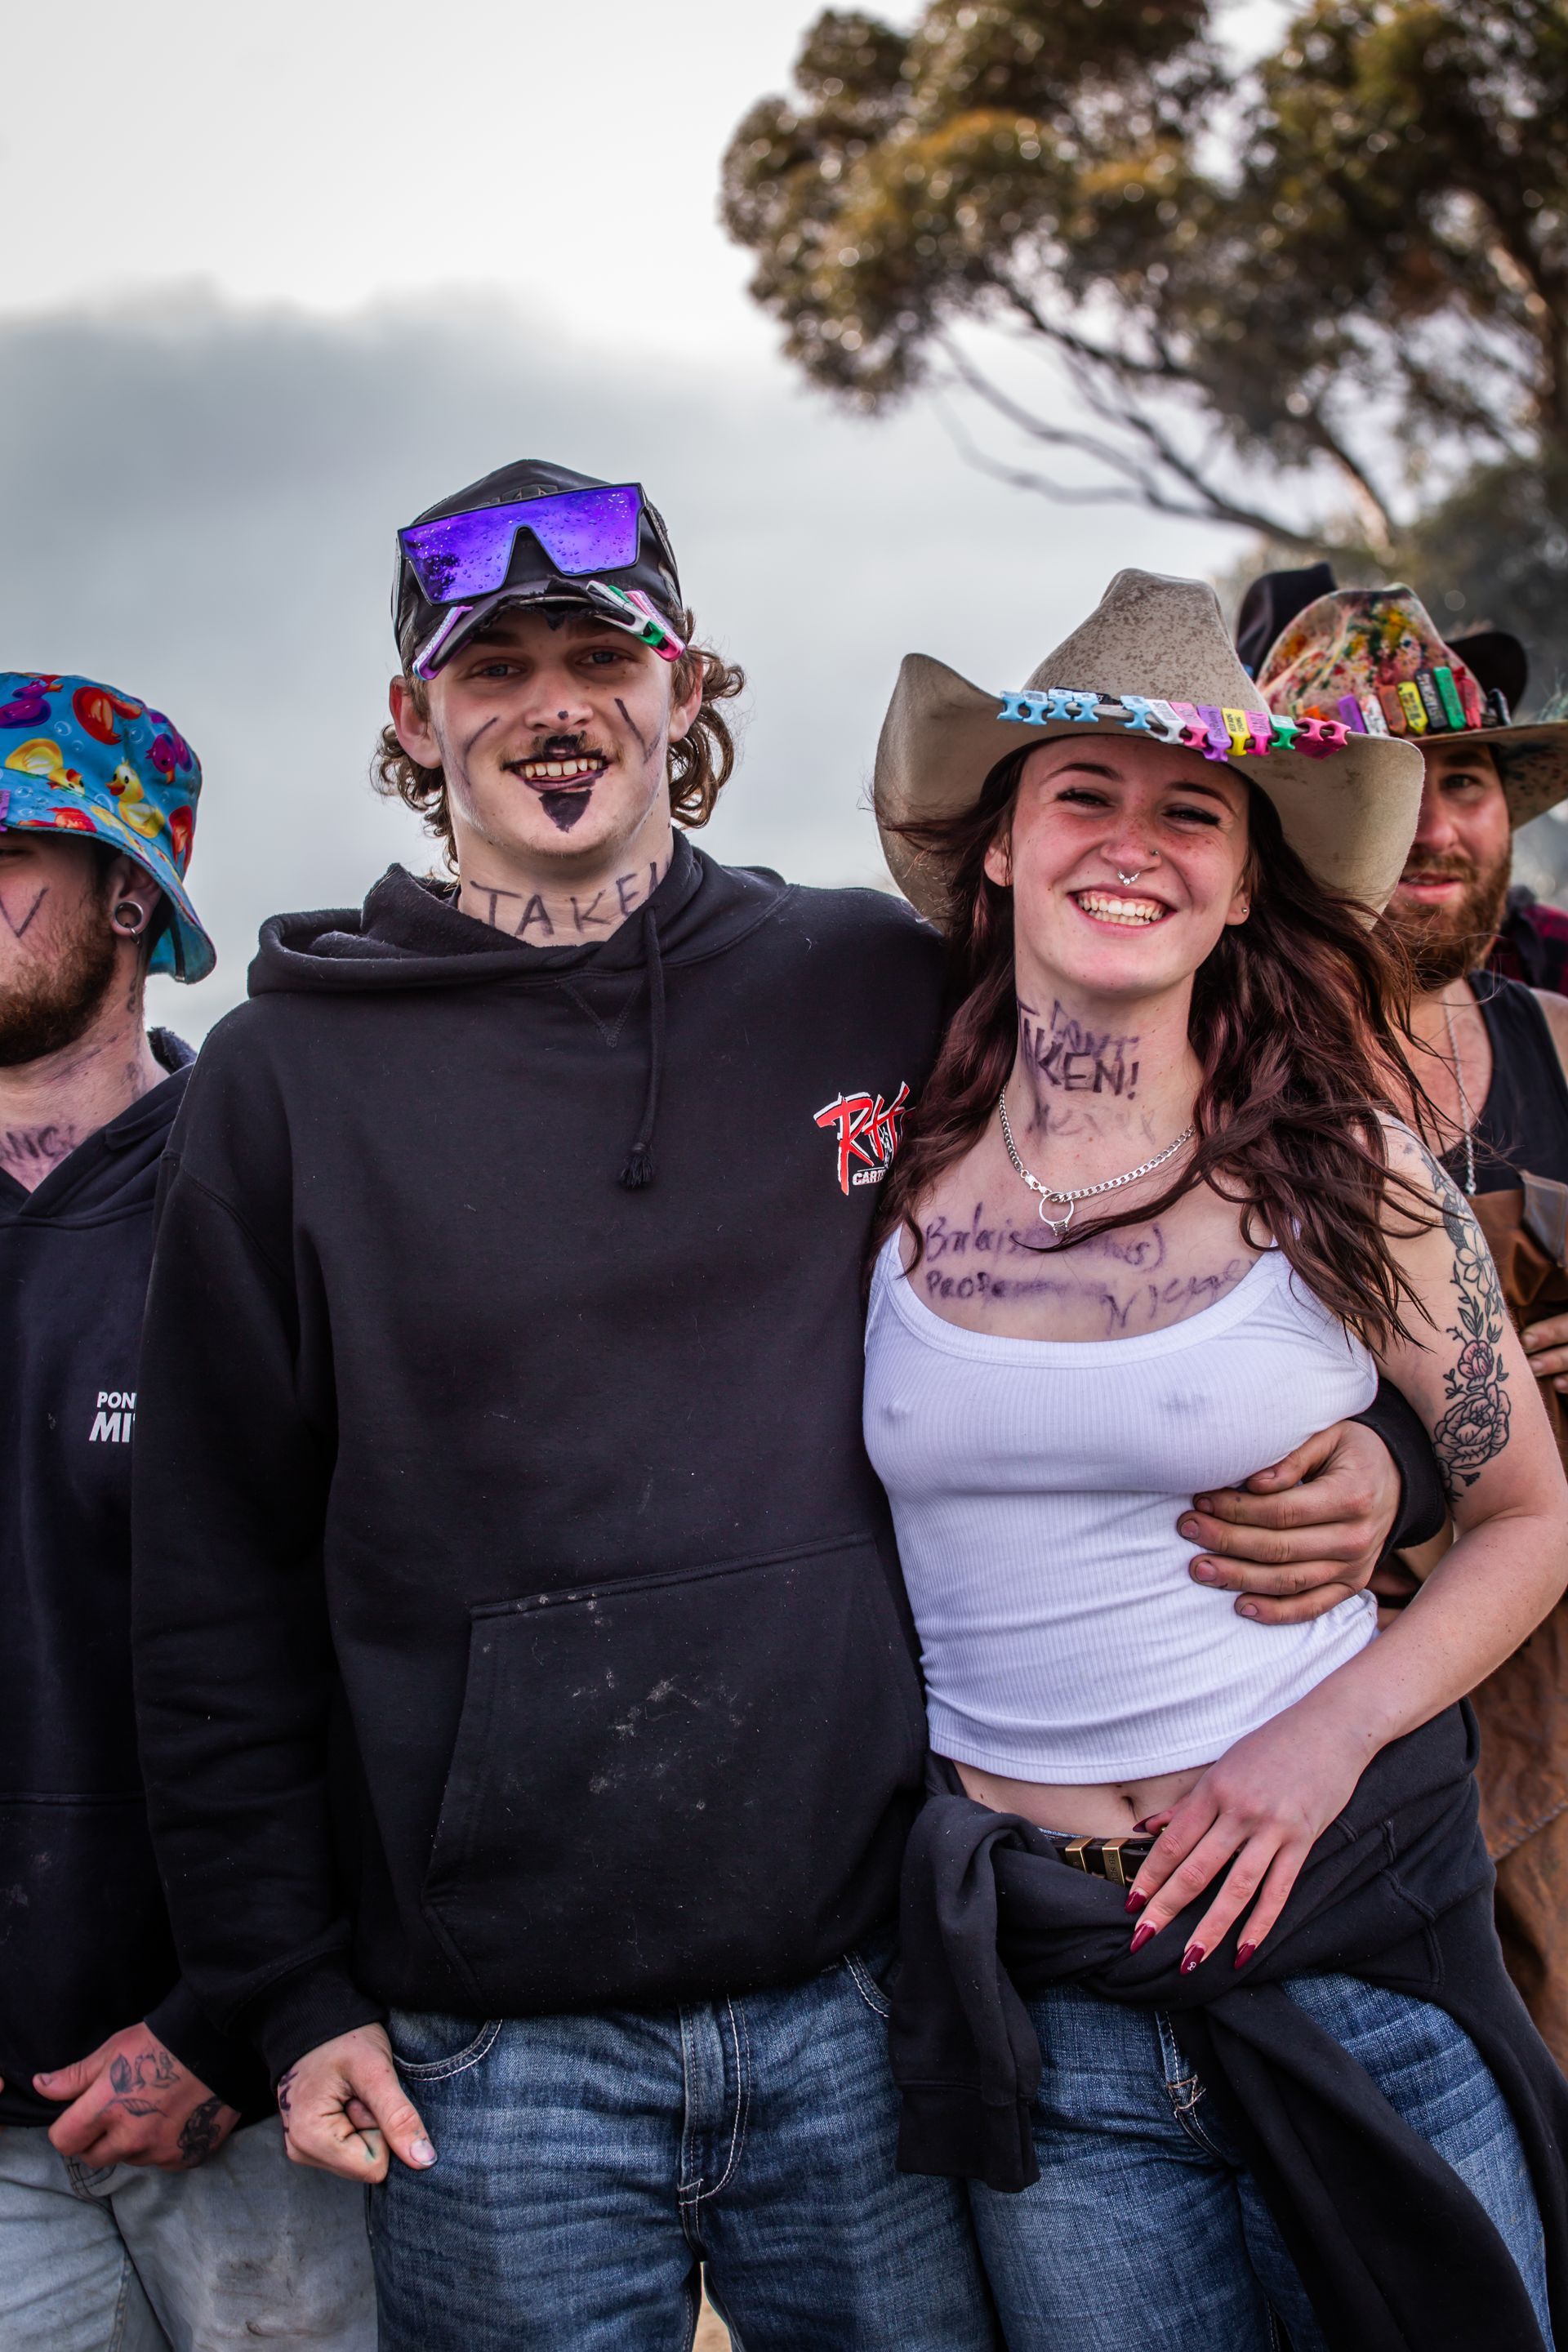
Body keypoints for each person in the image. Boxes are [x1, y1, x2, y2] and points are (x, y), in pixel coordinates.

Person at [131, 466, 1438, 2352]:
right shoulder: (275, 1085)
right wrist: (280, 1989)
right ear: (415, 721)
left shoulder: (871, 986)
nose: (554, 703)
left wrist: (1391, 1462)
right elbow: (210, 1579)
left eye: (603, 652)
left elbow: (1202, 1185)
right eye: (490, 666)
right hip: (488, 2057)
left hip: (872, 1995)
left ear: (689, 687)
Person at [865, 569, 1568, 2352]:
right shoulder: (883, 1171)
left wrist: (1319, 1743)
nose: (1135, 842)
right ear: (1001, 848)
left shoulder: (1345, 1168)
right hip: (1049, 2003)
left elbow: (1526, 1514)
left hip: (1356, 1962)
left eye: (1194, 810)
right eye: (1081, 792)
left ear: (1245, 877)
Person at [0, 677, 375, 2348]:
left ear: (129, 895)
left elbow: (369, 1630)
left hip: (256, 2104)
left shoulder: (260, 1186)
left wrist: (234, 2021)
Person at [1254, 579, 1568, 2067]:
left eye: (1464, 780)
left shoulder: (1563, 1047)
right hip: (1333, 1767)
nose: (1437, 826)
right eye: (1380, 778)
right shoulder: (1218, 1082)